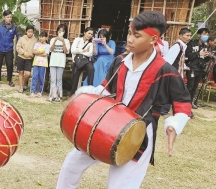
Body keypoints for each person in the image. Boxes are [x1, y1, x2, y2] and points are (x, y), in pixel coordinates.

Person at [56, 11, 192, 189]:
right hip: (105, 126)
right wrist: (80, 96)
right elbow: (104, 90)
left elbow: (183, 102)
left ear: (153, 39)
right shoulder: (120, 62)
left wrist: (173, 125)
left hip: (137, 137)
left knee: (120, 186)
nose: (130, 39)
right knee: (71, 165)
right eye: (129, 33)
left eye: (137, 35)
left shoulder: (165, 70)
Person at [161, 28, 192, 115]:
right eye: (187, 35)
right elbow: (168, 60)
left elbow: (179, 60)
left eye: (190, 35)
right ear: (181, 36)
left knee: (173, 91)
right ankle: (165, 110)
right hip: (174, 73)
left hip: (178, 73)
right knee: (173, 91)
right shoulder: (177, 46)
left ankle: (174, 110)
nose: (189, 37)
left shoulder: (182, 46)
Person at [0, 10, 19, 87]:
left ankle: (10, 81)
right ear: (4, 17)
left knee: (10, 65)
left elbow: (19, 36)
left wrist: (19, 44)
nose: (9, 18)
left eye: (10, 17)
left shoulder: (14, 26)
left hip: (9, 49)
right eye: (7, 17)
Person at [185, 27, 211, 109]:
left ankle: (190, 102)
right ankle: (184, 102)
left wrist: (208, 56)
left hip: (200, 69)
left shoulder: (206, 46)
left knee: (195, 86)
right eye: (204, 34)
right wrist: (198, 53)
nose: (206, 36)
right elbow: (188, 56)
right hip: (192, 68)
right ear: (199, 35)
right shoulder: (191, 44)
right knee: (190, 86)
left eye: (207, 34)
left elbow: (205, 59)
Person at [48, 24, 70, 102]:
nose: (61, 32)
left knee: (59, 79)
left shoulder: (66, 41)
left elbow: (66, 51)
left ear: (65, 32)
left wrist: (63, 41)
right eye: (59, 31)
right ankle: (51, 95)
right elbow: (50, 49)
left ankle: (58, 96)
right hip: (53, 61)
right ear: (57, 31)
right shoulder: (52, 39)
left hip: (61, 62)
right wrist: (55, 41)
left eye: (62, 31)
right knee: (53, 79)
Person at [70, 27, 94, 95]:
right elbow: (72, 51)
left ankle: (90, 90)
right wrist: (82, 50)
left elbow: (90, 54)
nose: (90, 35)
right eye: (89, 33)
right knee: (75, 79)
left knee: (91, 68)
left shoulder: (90, 43)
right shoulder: (77, 40)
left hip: (86, 61)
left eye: (91, 34)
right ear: (84, 32)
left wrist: (79, 52)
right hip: (77, 61)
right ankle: (72, 95)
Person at [16, 25, 37, 93]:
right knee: (21, 72)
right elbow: (18, 47)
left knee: (28, 74)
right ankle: (21, 88)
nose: (30, 33)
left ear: (33, 32)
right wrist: (24, 52)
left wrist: (32, 54)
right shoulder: (22, 38)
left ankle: (25, 83)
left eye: (31, 32)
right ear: (26, 32)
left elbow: (36, 49)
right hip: (21, 57)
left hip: (29, 59)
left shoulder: (35, 40)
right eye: (29, 32)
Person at [30, 31, 50, 98]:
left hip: (43, 64)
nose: (41, 38)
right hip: (36, 63)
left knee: (41, 78)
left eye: (43, 37)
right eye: (40, 37)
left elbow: (46, 54)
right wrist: (41, 52)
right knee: (34, 77)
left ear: (46, 38)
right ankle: (32, 91)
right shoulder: (37, 44)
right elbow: (33, 51)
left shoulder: (47, 46)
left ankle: (39, 91)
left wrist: (38, 52)